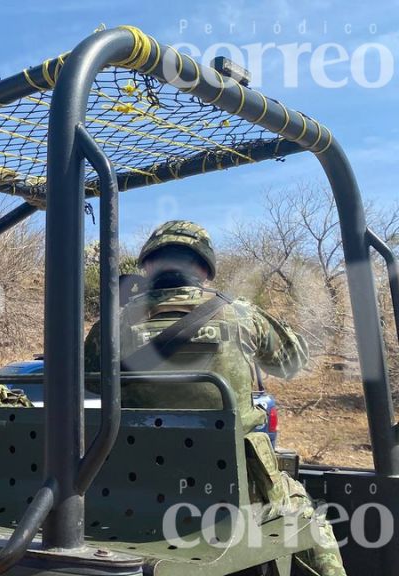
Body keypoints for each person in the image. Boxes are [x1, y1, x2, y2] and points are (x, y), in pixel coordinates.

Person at [85, 220, 346, 576]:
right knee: (312, 519)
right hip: (239, 498)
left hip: (136, 493)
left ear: (147, 268)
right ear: (204, 269)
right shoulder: (241, 314)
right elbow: (293, 361)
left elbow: (93, 385)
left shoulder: (110, 327)